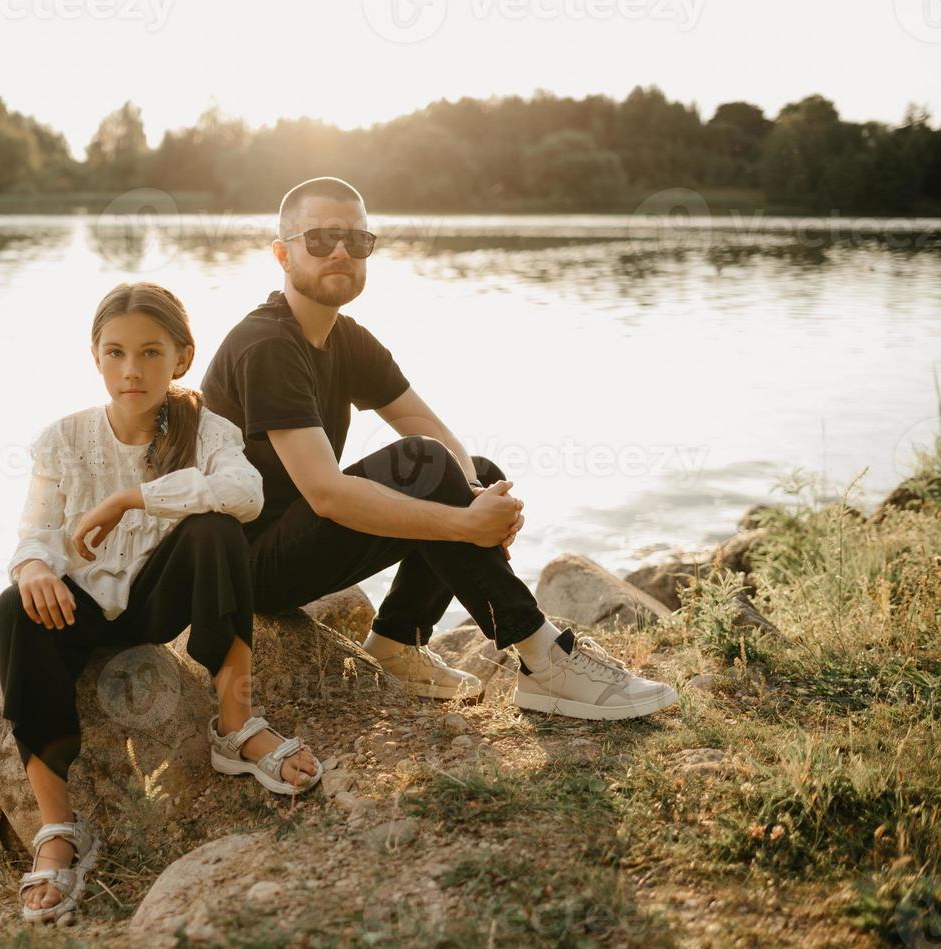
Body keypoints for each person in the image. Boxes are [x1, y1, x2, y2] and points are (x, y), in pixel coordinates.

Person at [200, 176, 678, 719]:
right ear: (282, 254)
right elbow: (327, 494)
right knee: (425, 465)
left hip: (299, 541)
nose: (340, 252)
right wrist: (465, 525)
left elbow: (420, 420)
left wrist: (472, 493)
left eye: (357, 241)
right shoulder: (267, 345)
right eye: (321, 239)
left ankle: (397, 643)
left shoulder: (344, 336)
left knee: (465, 466)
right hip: (248, 566)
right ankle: (543, 657)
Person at [0, 281, 321, 926]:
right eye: (114, 353)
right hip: (81, 606)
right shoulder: (62, 439)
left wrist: (131, 499)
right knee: (11, 607)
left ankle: (234, 726)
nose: (131, 370)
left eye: (149, 352)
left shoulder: (209, 432)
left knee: (217, 529)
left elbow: (244, 495)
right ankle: (60, 830)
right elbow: (34, 533)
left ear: (182, 358)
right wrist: (33, 568)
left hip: (159, 601)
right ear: (96, 358)